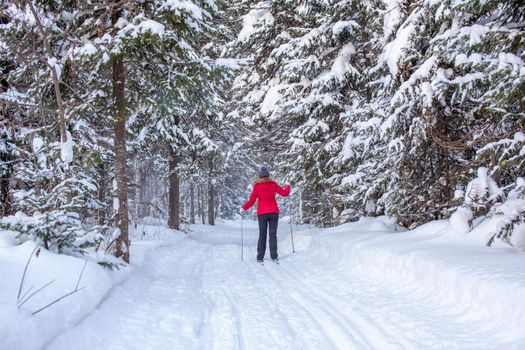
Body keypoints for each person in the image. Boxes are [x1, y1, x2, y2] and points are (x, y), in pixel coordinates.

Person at [240, 165, 290, 262]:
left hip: (262, 213)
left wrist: (243, 208)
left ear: (260, 175)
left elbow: (251, 201)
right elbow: (285, 193)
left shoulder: (257, 187)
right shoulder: (273, 184)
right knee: (273, 234)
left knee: (262, 234)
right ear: (268, 174)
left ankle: (260, 257)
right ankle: (274, 256)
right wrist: (287, 185)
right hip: (274, 212)